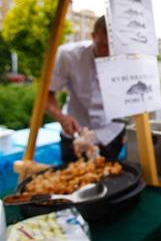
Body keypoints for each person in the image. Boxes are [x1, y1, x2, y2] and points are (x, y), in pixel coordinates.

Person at [46, 16, 126, 163]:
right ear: (93, 36)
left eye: (113, 47)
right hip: (75, 133)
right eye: (103, 45)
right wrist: (61, 117)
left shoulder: (127, 61)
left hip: (111, 134)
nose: (108, 52)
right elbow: (47, 95)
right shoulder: (68, 56)